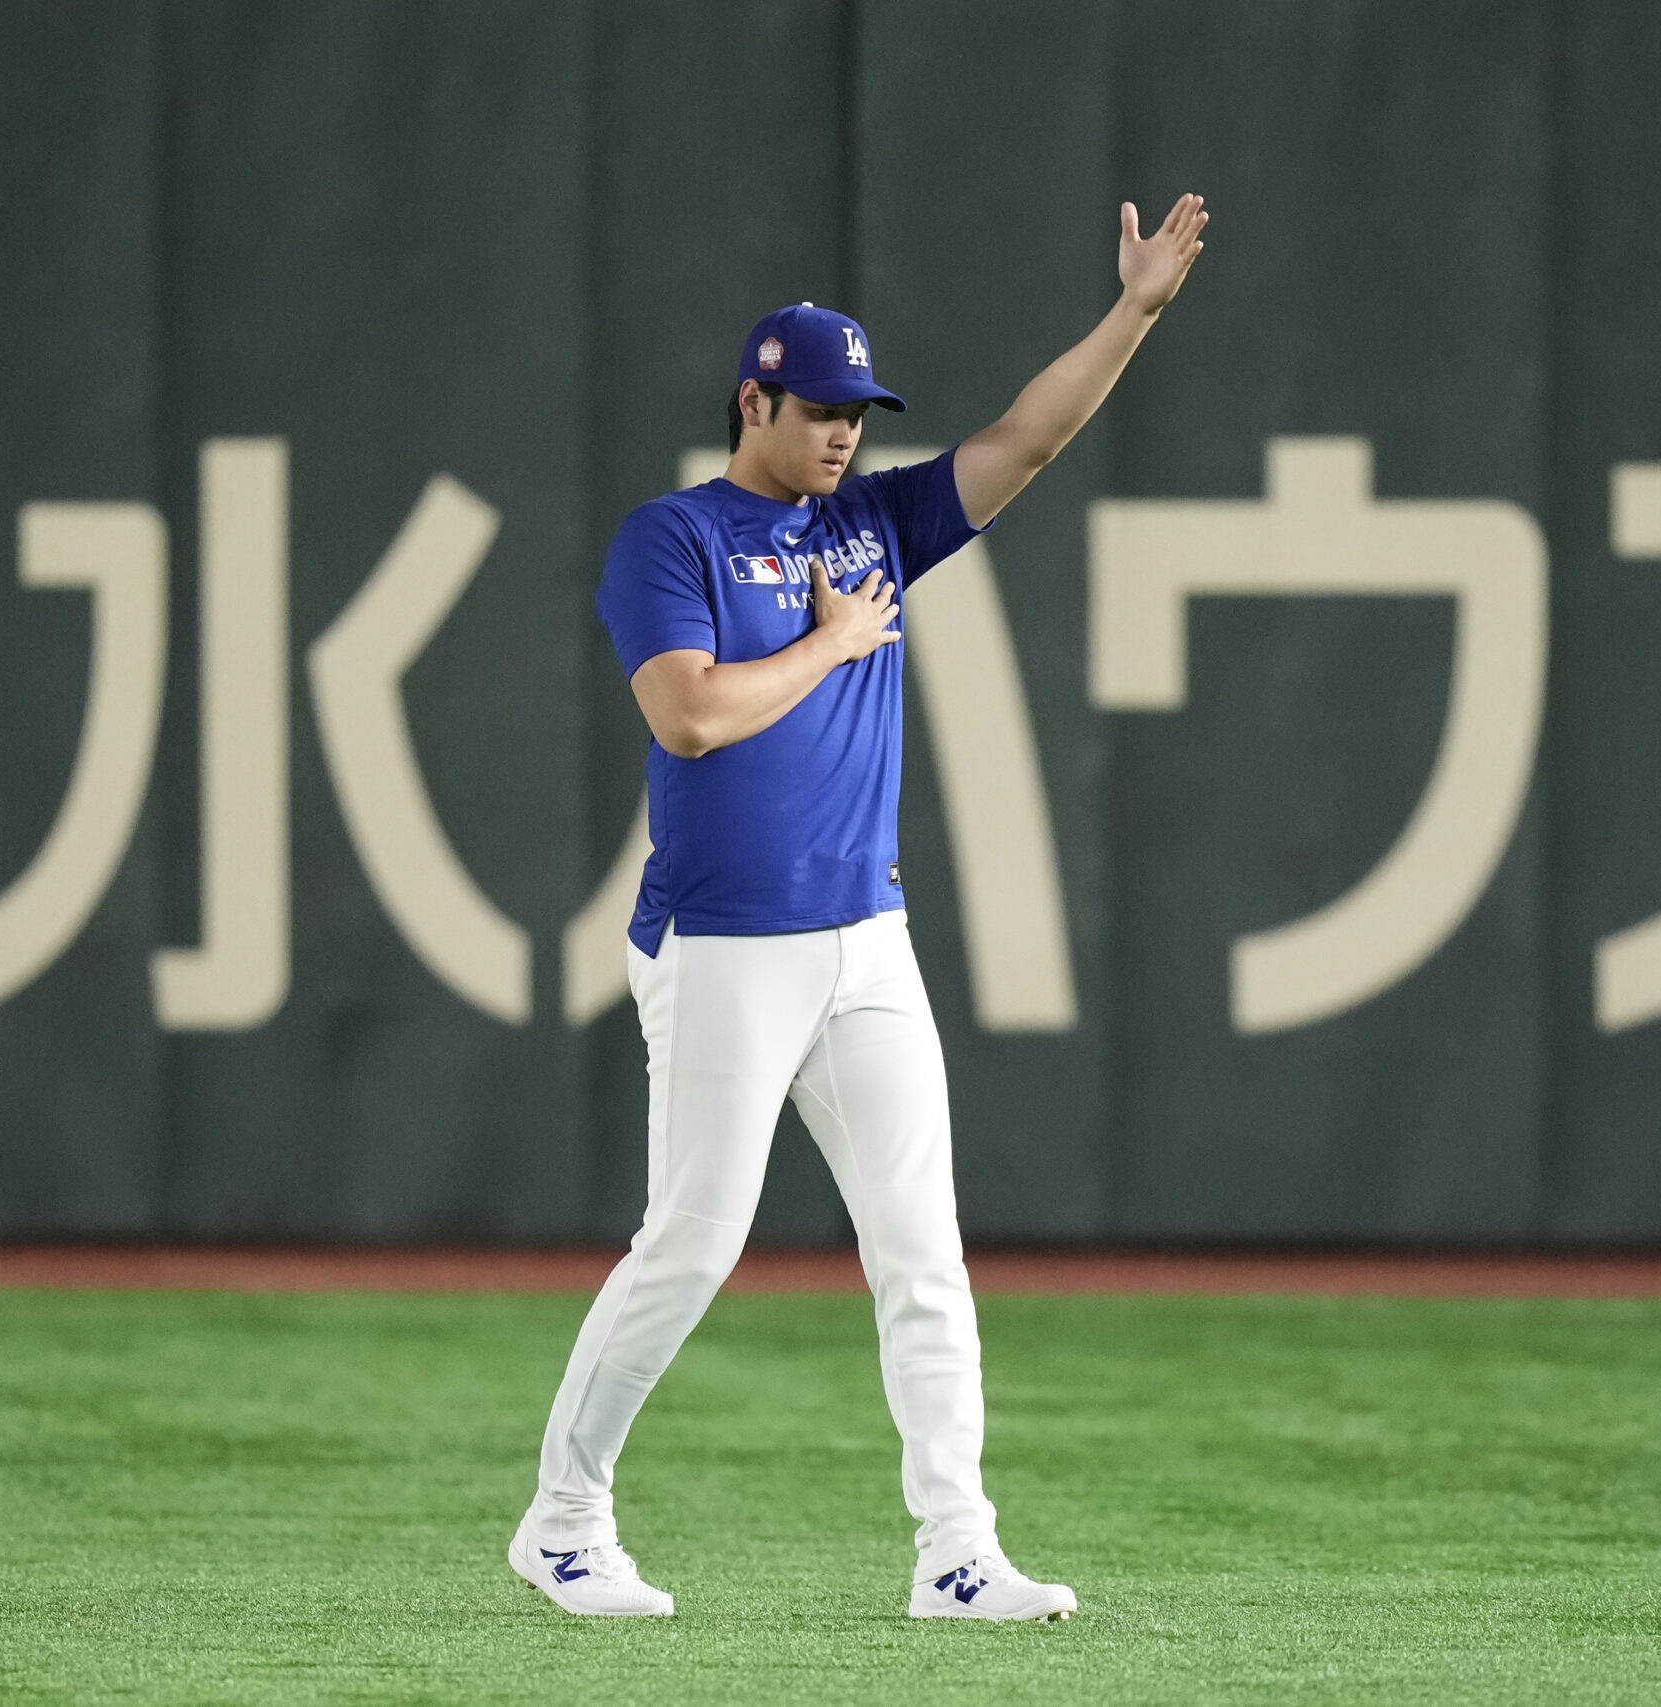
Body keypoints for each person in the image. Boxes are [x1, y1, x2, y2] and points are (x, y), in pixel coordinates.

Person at [510, 194, 1211, 1621]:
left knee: (921, 1252)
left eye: (859, 410)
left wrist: (1132, 313)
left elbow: (1030, 439)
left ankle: (957, 1550)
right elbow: (692, 717)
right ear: (754, 398)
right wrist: (834, 641)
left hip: (865, 941)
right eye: (819, 406)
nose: (843, 431)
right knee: (694, 1243)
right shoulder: (675, 538)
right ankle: (564, 1519)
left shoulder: (876, 520)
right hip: (721, 944)